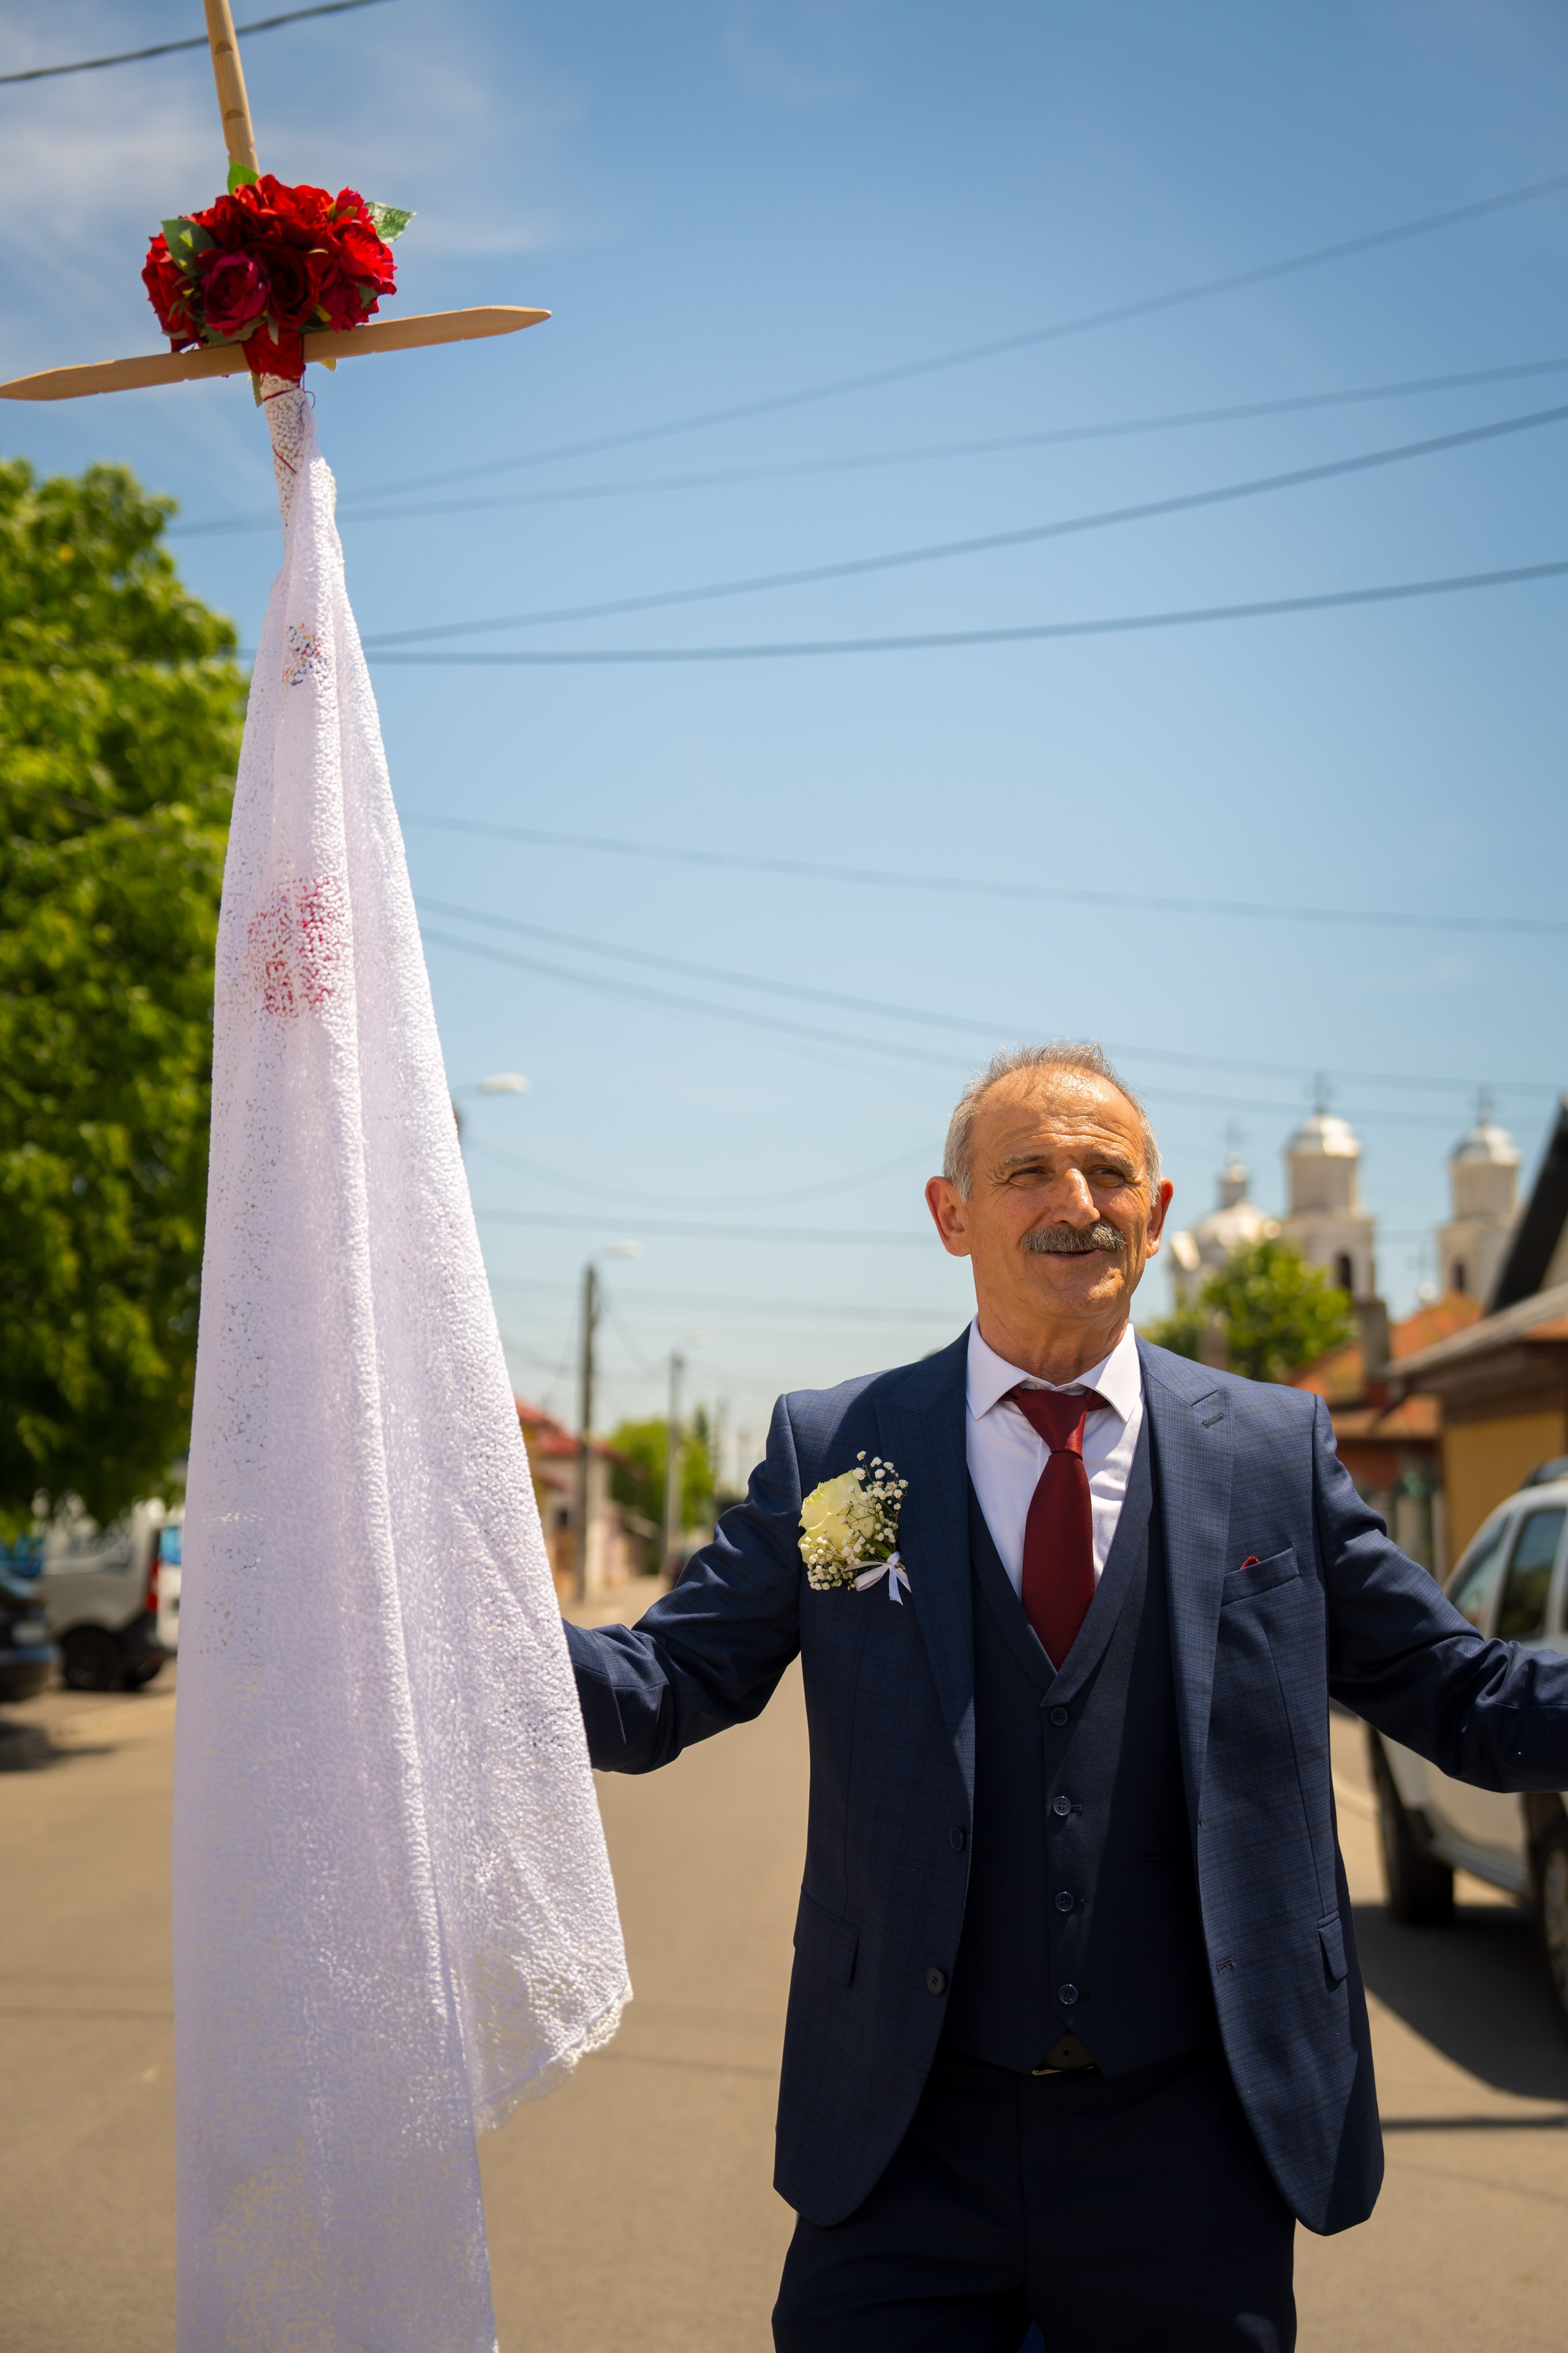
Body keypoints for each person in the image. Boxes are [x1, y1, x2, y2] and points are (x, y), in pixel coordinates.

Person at [563, 1041, 1568, 2351]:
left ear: (1154, 1220)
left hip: (1189, 2143)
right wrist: (448, 1650)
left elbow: (1464, 1695)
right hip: (908, 2136)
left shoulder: (1264, 1456)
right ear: (951, 1213)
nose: (1074, 1200)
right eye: (1028, 1169)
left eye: (1107, 1172)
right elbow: (674, 1680)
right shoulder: (861, 1465)